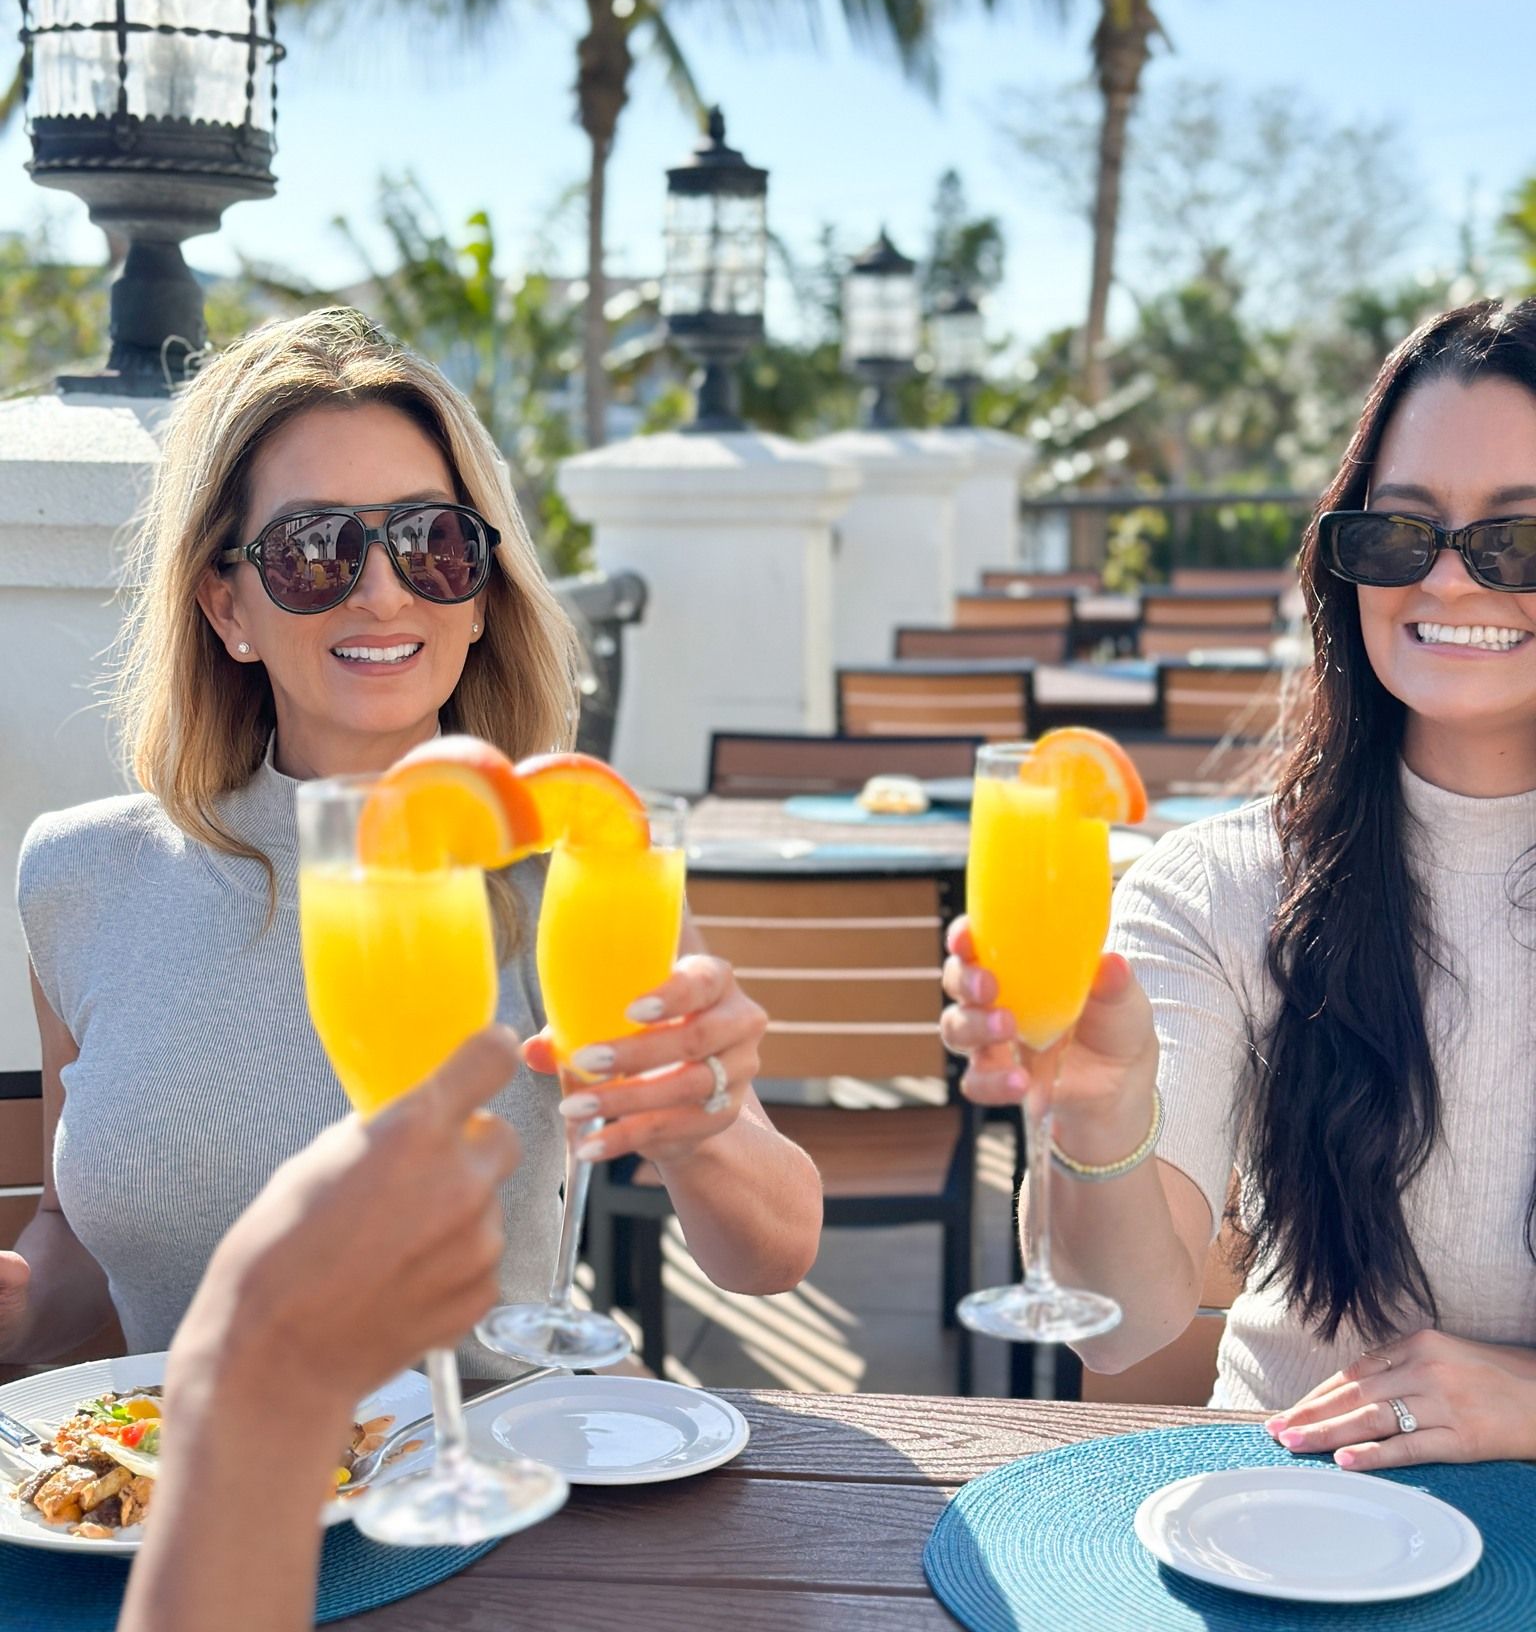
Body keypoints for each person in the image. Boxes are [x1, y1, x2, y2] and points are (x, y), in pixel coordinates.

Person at [5, 307, 821, 1375]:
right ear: (226, 604)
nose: (383, 587)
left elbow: (772, 1252)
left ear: (479, 596)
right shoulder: (80, 874)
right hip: (193, 1514)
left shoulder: (572, 859)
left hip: (490, 1496)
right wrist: (18, 1315)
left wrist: (701, 1122)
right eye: (313, 549)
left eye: (431, 541)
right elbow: (77, 1234)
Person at [942, 296, 1536, 1469]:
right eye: (1399, 534)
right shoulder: (1213, 886)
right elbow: (1124, 1323)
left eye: (1517, 540)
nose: (1452, 583)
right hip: (1278, 1520)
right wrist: (1100, 1117)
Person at [7, 1028, 526, 1632]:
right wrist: (261, 1395)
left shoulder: (542, 883)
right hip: (183, 1620)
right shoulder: (64, 880)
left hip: (488, 1583)